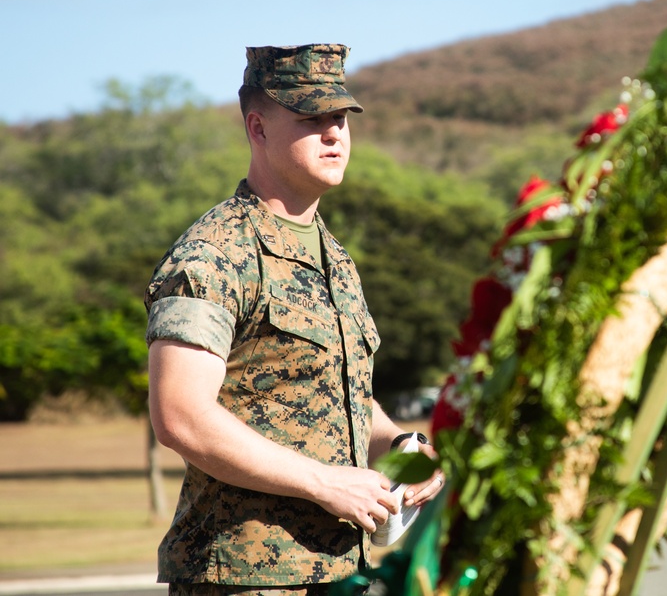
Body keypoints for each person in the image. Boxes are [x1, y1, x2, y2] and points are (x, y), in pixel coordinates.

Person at [145, 43, 444, 595]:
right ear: (257, 127)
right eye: (312, 118)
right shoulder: (214, 255)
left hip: (337, 571)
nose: (334, 134)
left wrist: (400, 445)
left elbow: (334, 396)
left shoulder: (334, 257)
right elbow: (179, 414)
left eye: (340, 118)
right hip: (242, 577)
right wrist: (323, 483)